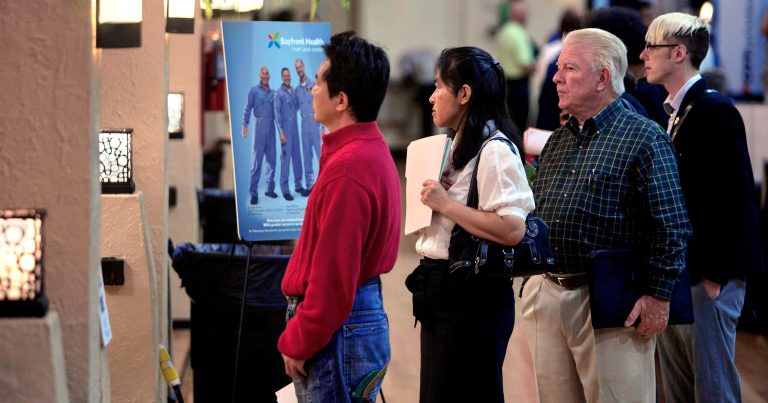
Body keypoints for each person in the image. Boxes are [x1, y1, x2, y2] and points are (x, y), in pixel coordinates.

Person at [522, 28, 691, 403]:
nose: (555, 77)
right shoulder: (558, 140)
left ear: (602, 78)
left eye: (569, 68)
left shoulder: (643, 137)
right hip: (549, 293)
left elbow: (672, 225)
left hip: (611, 301)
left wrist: (658, 297)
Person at [641, 12, 763, 402]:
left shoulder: (713, 109)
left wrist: (714, 275)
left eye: (651, 47)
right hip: (686, 270)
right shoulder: (681, 109)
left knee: (712, 386)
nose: (643, 54)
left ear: (679, 53)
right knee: (682, 385)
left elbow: (733, 198)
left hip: (708, 274)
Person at [406, 46, 535, 403]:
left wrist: (445, 206)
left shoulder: (495, 149)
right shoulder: (457, 143)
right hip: (443, 290)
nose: (431, 97)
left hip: (472, 297)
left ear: (465, 94)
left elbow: (513, 228)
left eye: (438, 86)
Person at [278, 32, 401, 403]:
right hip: (352, 320)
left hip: (340, 328)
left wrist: (300, 338)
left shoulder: (349, 166)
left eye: (318, 82)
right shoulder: (363, 149)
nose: (312, 90)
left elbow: (333, 277)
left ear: (342, 100)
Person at [495, 0, 535, 131]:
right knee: (519, 126)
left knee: (508, 125)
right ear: (521, 15)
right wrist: (537, 67)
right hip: (519, 86)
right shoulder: (519, 33)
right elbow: (525, 65)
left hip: (505, 83)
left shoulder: (503, 31)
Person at [241, 66, 278, 204]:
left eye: (267, 73)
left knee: (272, 160)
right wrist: (245, 124)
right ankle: (254, 193)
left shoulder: (274, 93)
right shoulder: (253, 91)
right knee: (257, 161)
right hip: (259, 128)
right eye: (262, 73)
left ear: (269, 76)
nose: (265, 75)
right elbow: (247, 108)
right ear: (259, 76)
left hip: (271, 129)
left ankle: (269, 189)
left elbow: (278, 112)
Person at [274, 67, 307, 201]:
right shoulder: (279, 94)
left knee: (297, 158)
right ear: (282, 77)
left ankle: (298, 185)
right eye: (285, 76)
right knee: (286, 160)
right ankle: (285, 189)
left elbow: (298, 108)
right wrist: (281, 132)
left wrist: (296, 93)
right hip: (286, 131)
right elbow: (277, 114)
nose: (287, 77)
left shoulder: (292, 92)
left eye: (288, 75)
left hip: (295, 130)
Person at [294, 58, 322, 192]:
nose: (299, 69)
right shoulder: (297, 91)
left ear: (304, 67)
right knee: (306, 155)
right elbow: (294, 107)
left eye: (300, 66)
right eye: (297, 68)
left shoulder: (314, 85)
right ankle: (310, 186)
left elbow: (321, 106)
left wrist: (323, 127)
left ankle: (324, 184)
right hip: (304, 125)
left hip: (315, 124)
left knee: (320, 154)